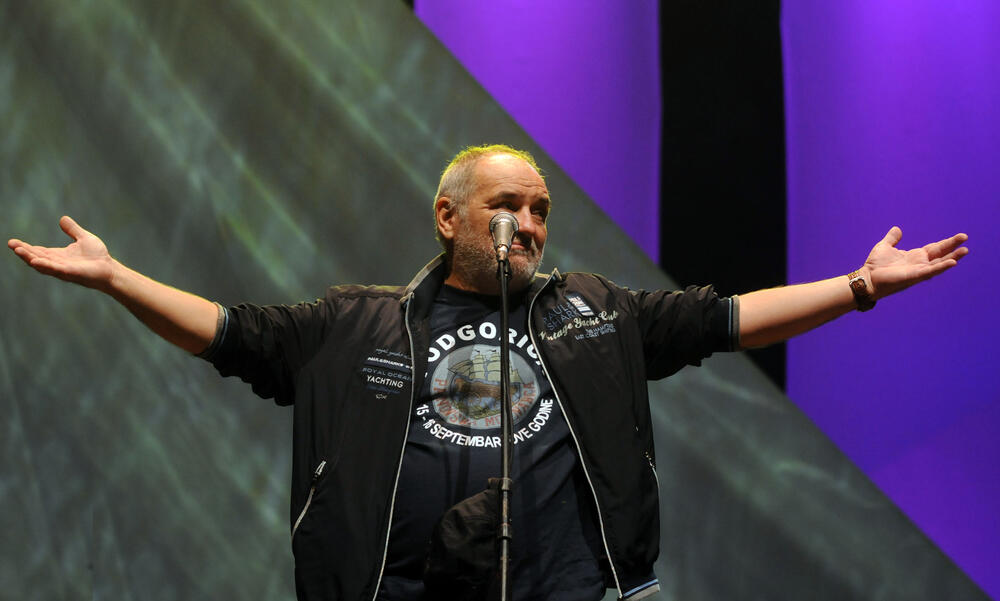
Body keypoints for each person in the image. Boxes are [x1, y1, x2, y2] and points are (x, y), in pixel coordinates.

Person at [7, 144, 969, 601]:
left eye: (543, 208)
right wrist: (117, 277)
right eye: (511, 203)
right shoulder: (356, 322)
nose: (532, 223)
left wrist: (858, 286)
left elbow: (727, 318)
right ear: (449, 216)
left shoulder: (595, 310)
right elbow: (228, 333)